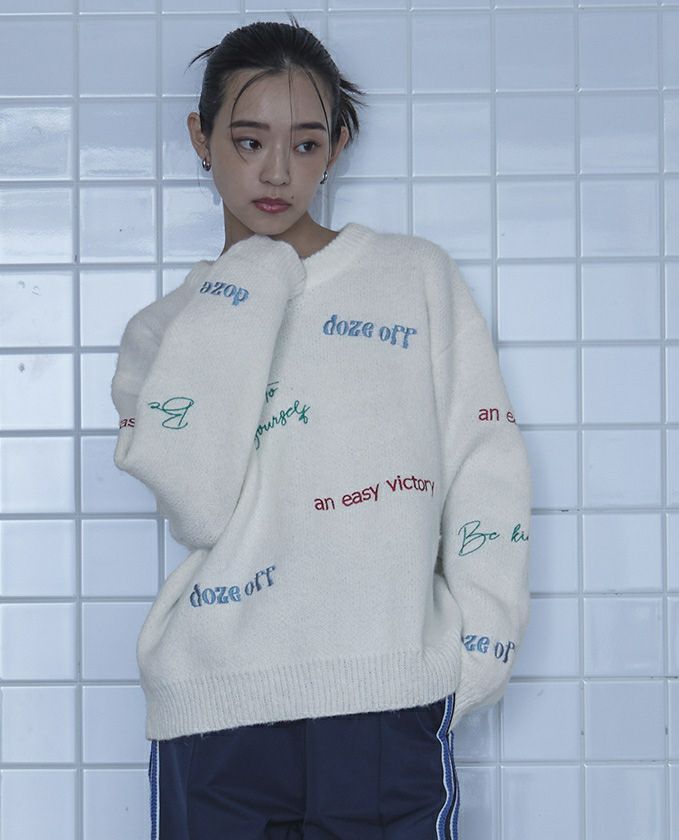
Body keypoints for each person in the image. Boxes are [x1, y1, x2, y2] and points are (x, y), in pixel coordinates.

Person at [110, 15, 531, 840]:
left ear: (337, 146)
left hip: (387, 705)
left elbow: (485, 462)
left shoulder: (413, 278)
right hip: (216, 709)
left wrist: (474, 656)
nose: (276, 172)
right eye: (248, 140)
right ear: (200, 138)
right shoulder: (163, 332)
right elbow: (199, 506)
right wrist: (252, 278)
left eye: (305, 143)